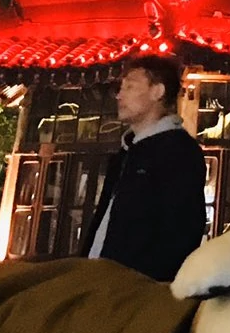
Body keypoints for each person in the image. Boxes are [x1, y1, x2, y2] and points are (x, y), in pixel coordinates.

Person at [83, 56, 208, 282]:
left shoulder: (178, 152)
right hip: (97, 279)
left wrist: (148, 281)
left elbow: (182, 230)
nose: (119, 95)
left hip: (135, 287)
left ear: (158, 91)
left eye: (130, 86)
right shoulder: (126, 153)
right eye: (121, 87)